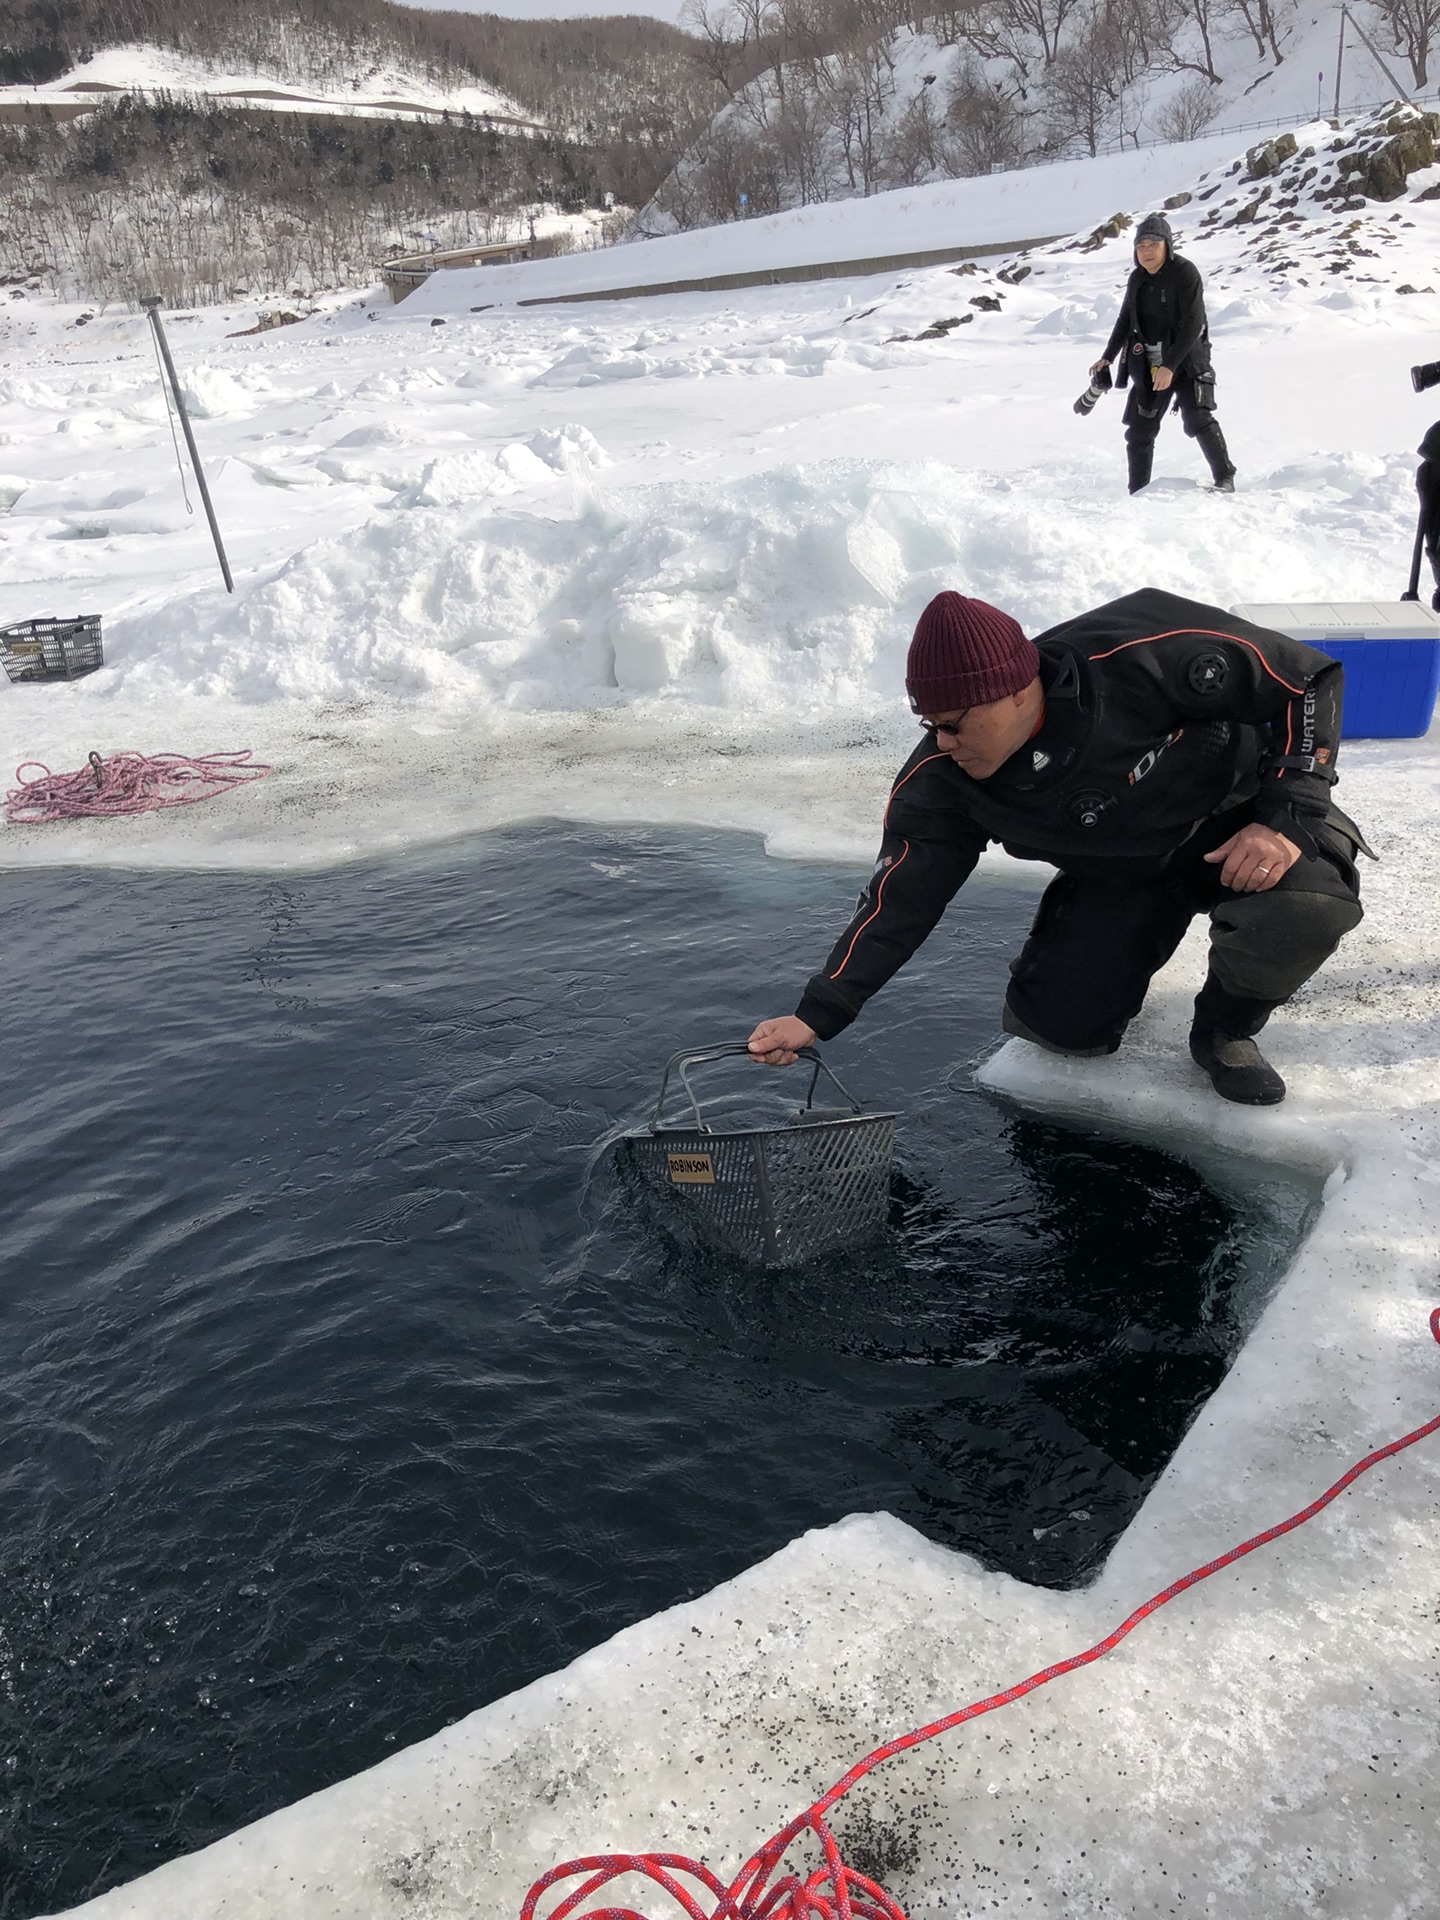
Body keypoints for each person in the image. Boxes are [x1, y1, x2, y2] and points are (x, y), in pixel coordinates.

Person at [747, 589, 1370, 1106]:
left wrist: (1288, 812)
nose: (942, 742)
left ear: (1018, 691)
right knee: (1062, 1030)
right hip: (1122, 874)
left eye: (955, 723)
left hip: (1241, 828)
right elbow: (898, 901)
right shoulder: (943, 781)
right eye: (928, 725)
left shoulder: (1142, 651)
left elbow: (1307, 679)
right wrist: (819, 1012)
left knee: (1305, 910)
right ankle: (1091, 941)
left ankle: (1226, 1028)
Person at [1089, 211, 1235, 496]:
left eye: (1153, 245)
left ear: (1167, 245)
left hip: (1188, 358)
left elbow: (1194, 323)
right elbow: (1125, 319)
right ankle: (1138, 492)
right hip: (1150, 362)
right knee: (1140, 430)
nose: (1146, 252)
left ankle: (1225, 477)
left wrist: (1171, 365)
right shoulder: (1137, 279)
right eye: (1141, 246)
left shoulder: (1185, 273)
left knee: (1197, 418)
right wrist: (1108, 355)